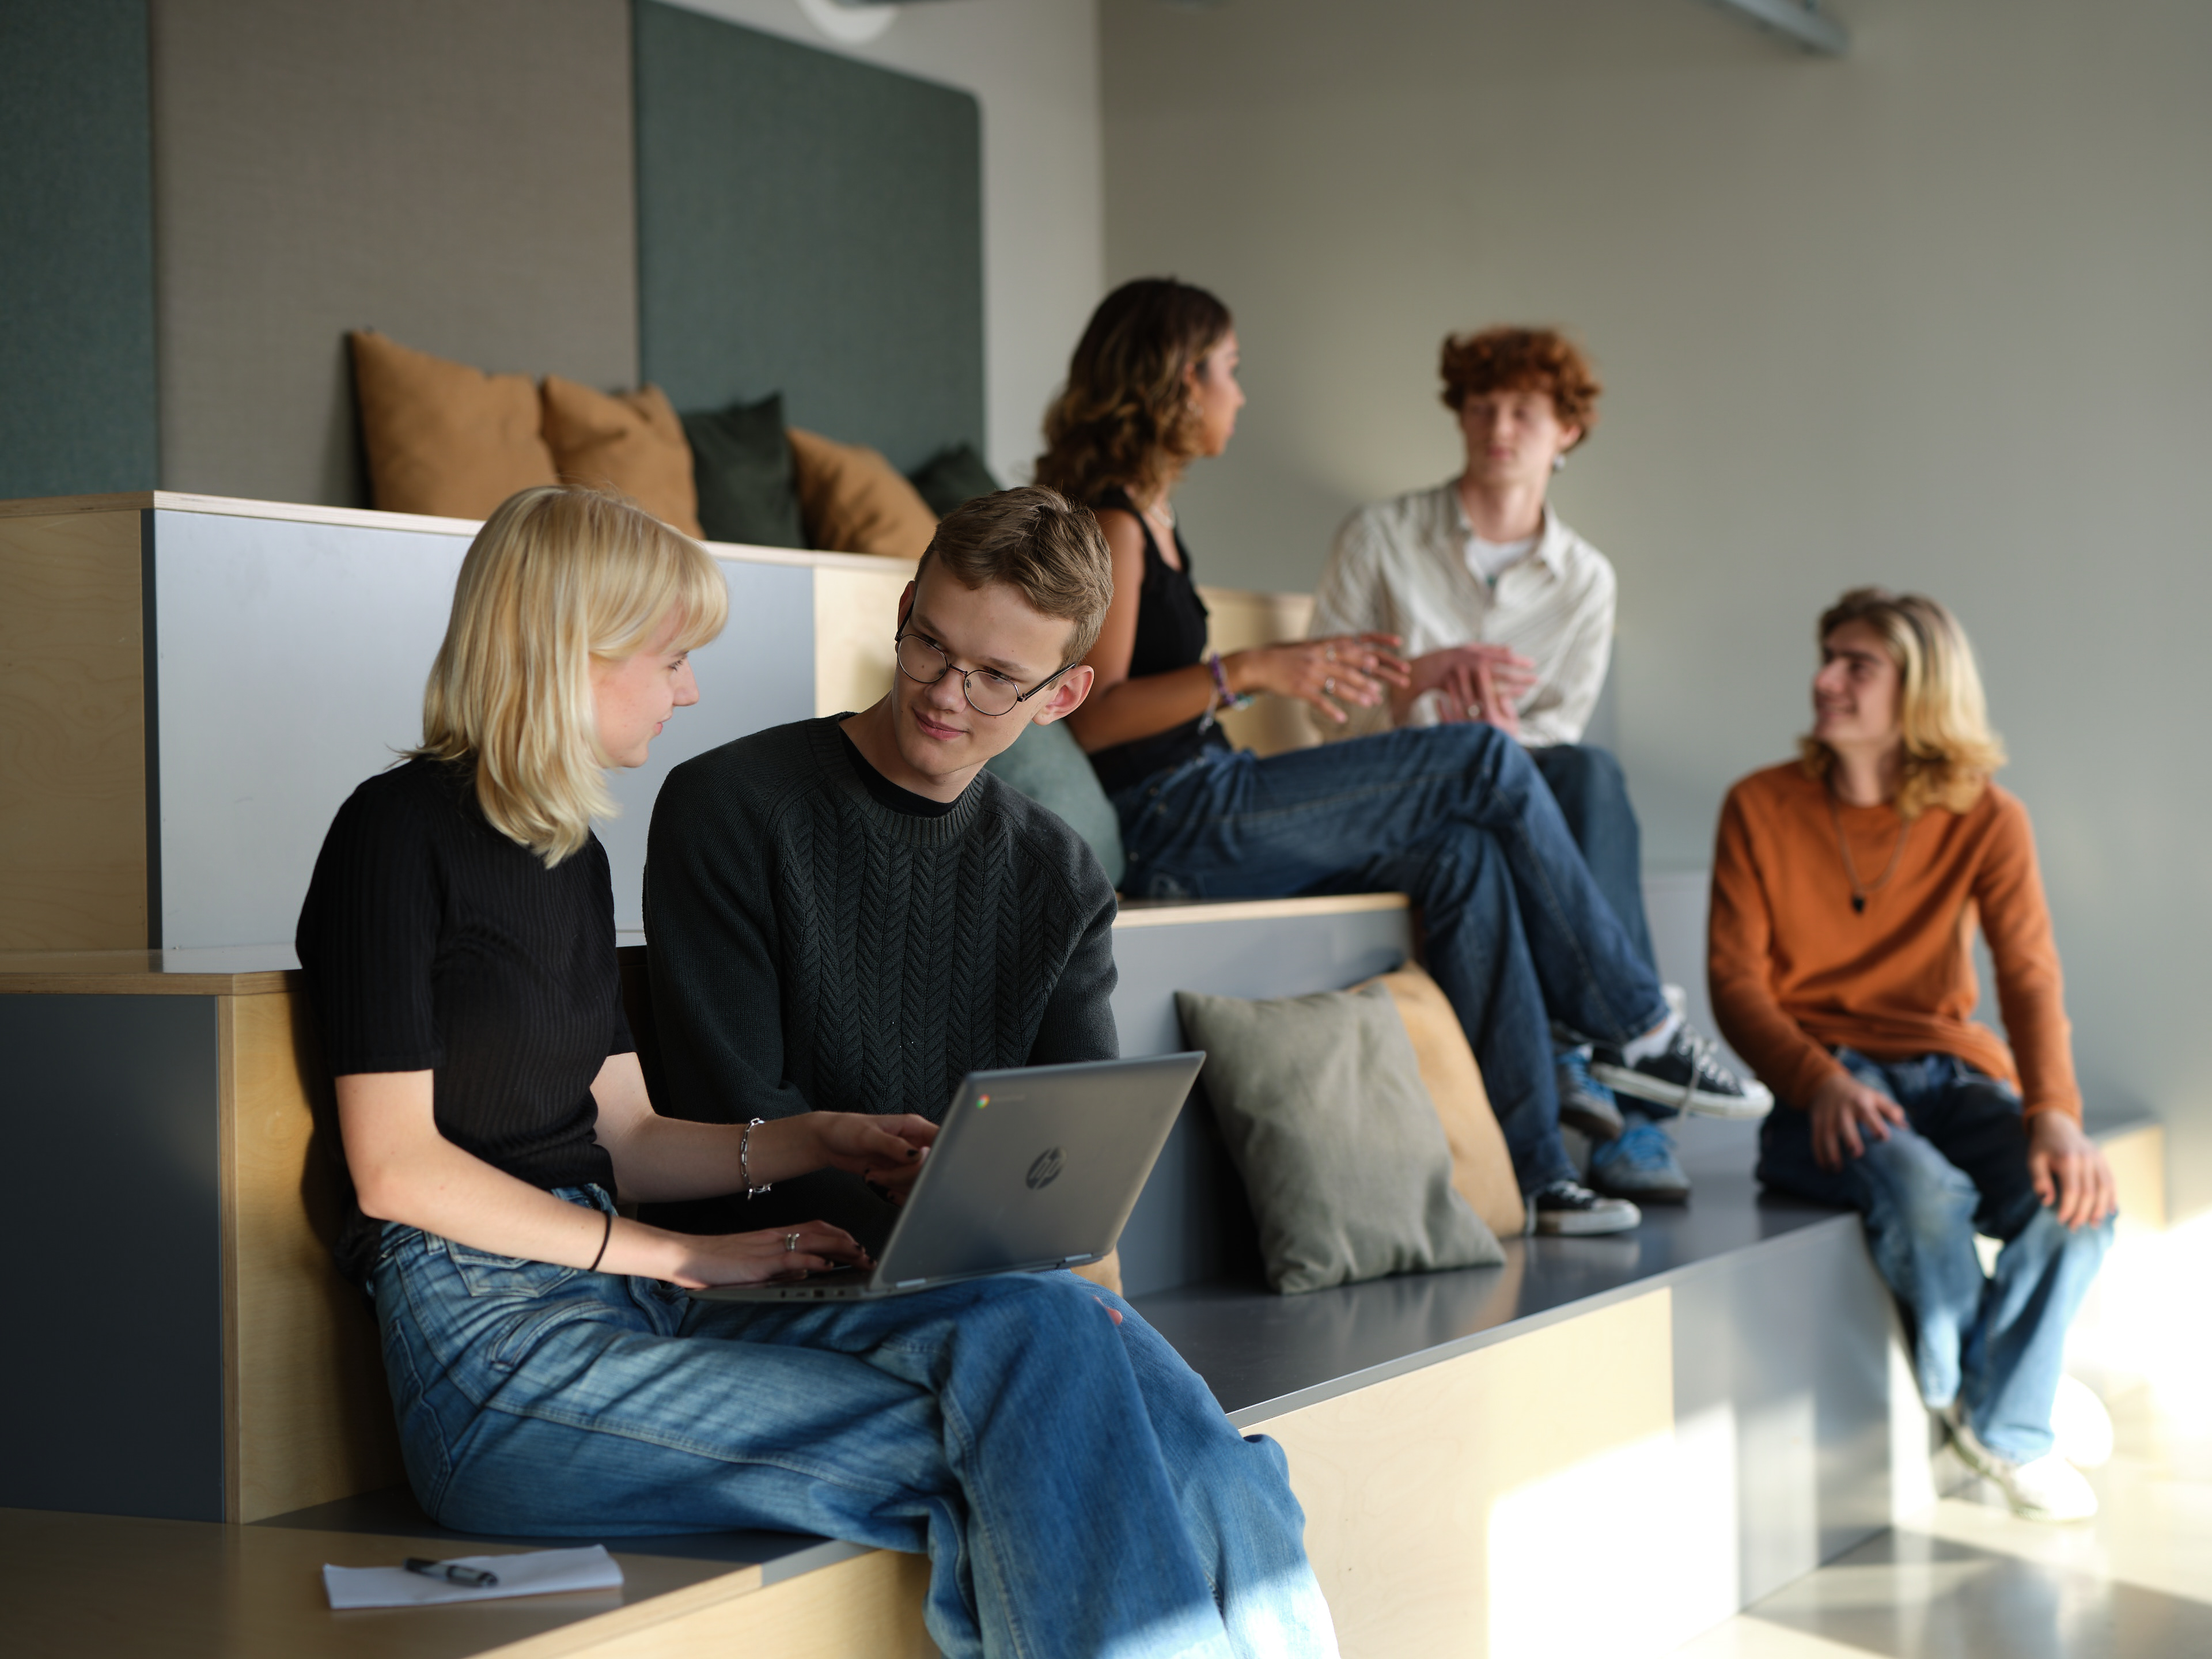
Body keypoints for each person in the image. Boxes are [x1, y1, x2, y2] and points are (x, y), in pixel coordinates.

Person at [296, 484, 1336, 1658]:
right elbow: (392, 1174)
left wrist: (817, 1136)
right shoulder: (392, 834)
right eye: (673, 656)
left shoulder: (568, 853)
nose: (690, 687)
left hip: (622, 1312)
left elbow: (628, 1134)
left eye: (994, 674)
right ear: (570, 650)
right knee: (1070, 1431)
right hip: (493, 1356)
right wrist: (685, 1253)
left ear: (1057, 693)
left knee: (1126, 1404)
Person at [1034, 278, 1767, 1238]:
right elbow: (1090, 719)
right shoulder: (1117, 525)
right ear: (1174, 384)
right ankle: (1642, 1026)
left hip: (1211, 793)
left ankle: (1541, 1172)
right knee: (1484, 766)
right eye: (1229, 371)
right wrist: (1252, 669)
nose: (1241, 394)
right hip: (1180, 813)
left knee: (1467, 852)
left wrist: (1271, 675)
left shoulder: (1153, 519)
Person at [1709, 587, 2116, 1522]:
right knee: (1928, 1195)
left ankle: (1998, 1404)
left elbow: (2029, 974)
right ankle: (2012, 1417)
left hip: (1952, 1076)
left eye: (1857, 666)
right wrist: (1819, 1081)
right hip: (1824, 1089)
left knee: (2082, 1206)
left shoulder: (1987, 818)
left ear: (1921, 690)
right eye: (1827, 658)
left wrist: (2055, 1111)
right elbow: (1737, 986)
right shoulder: (1759, 806)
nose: (1825, 680)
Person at [1309, 327, 1681, 1203]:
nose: (1499, 426)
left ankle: (1595, 1080)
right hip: (1398, 790)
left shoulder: (1586, 579)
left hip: (1524, 790)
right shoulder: (1381, 536)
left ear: (1568, 433)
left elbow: (1559, 728)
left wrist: (1500, 738)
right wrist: (1420, 686)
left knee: (1588, 777)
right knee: (1555, 788)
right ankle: (1611, 1083)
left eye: (1523, 410)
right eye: (1482, 407)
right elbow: (1326, 717)